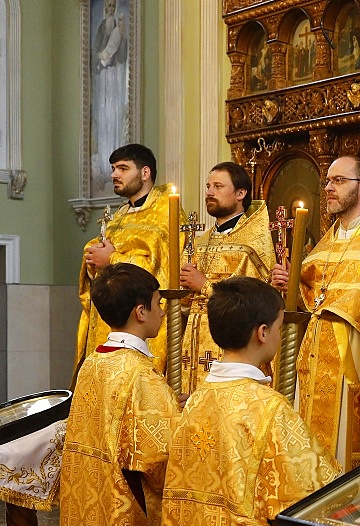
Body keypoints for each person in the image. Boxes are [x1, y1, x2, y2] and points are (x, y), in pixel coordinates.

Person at [158, 277, 339, 526]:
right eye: (277, 326)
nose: (278, 334)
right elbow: (316, 495)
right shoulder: (269, 410)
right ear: (263, 333)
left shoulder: (195, 401)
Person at [58, 263, 179, 526]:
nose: (163, 311)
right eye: (159, 303)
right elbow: (161, 459)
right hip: (127, 524)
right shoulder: (139, 376)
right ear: (141, 312)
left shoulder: (92, 364)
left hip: (90, 518)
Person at [271, 156, 360, 471]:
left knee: (342, 460)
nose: (328, 188)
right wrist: (291, 285)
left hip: (352, 366)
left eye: (339, 181)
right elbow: (314, 303)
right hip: (313, 363)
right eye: (327, 181)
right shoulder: (325, 245)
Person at [75, 143, 182, 380]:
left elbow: (164, 273)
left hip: (141, 322)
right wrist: (93, 262)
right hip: (107, 326)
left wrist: (112, 258)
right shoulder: (120, 216)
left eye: (123, 168)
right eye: (113, 168)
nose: (114, 175)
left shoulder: (167, 214)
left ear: (145, 173)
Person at [178, 161, 273, 393]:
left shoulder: (253, 244)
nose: (209, 192)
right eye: (208, 186)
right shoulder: (199, 243)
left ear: (241, 193)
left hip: (233, 347)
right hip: (193, 343)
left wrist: (204, 286)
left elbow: (254, 304)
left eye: (218, 186)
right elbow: (182, 304)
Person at [91, 0, 127, 195]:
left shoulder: (118, 29)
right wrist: (101, 58)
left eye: (113, 7)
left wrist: (120, 37)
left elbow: (121, 55)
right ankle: (104, 167)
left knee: (113, 116)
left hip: (114, 78)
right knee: (104, 119)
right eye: (108, 7)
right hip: (103, 78)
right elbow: (95, 51)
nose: (111, 10)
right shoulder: (101, 28)